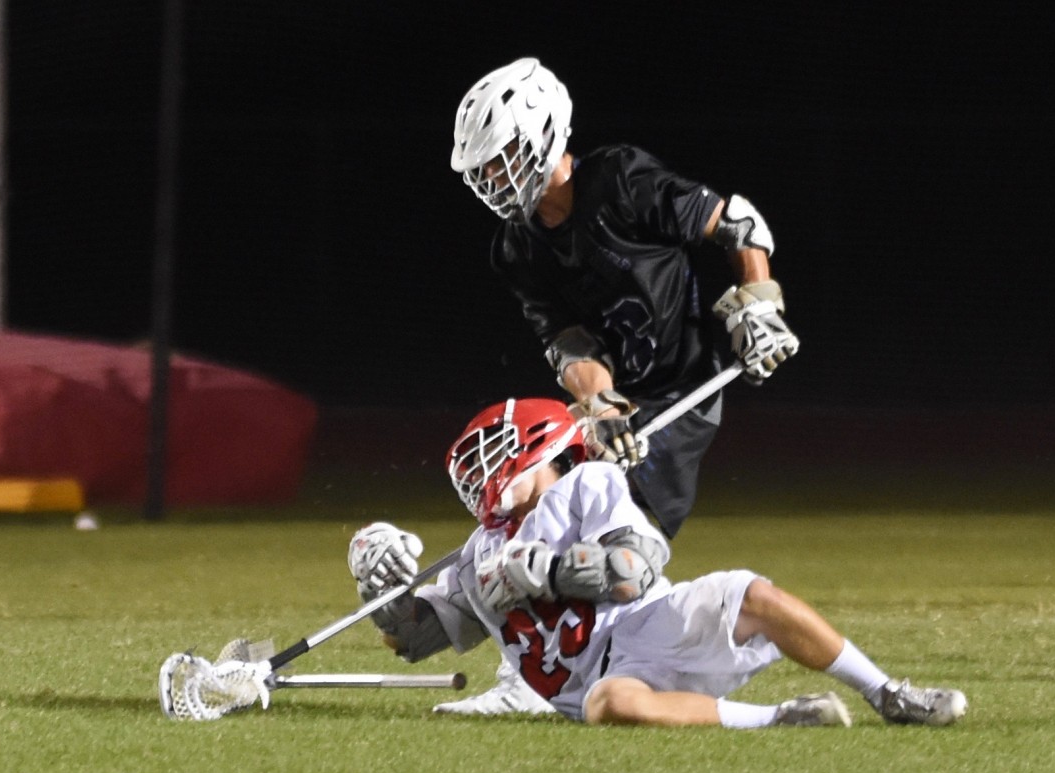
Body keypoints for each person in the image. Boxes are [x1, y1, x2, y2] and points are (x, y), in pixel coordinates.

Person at [440, 57, 801, 713]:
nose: (492, 180)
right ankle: (507, 650)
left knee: (612, 531)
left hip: (681, 389)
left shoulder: (620, 181)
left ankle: (570, 671)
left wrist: (759, 302)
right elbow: (569, 342)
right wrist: (600, 404)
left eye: (500, 160)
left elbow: (738, 222)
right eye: (483, 170)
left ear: (542, 135)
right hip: (616, 398)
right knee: (539, 501)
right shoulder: (517, 247)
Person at [347, 398, 968, 728]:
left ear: (541, 443)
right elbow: (411, 640)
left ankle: (888, 693)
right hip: (589, 684)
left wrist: (550, 572)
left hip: (649, 623)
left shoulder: (586, 483)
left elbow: (634, 571)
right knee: (610, 707)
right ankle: (782, 718)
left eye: (493, 450)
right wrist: (381, 585)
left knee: (754, 594)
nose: (477, 471)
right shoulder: (475, 554)